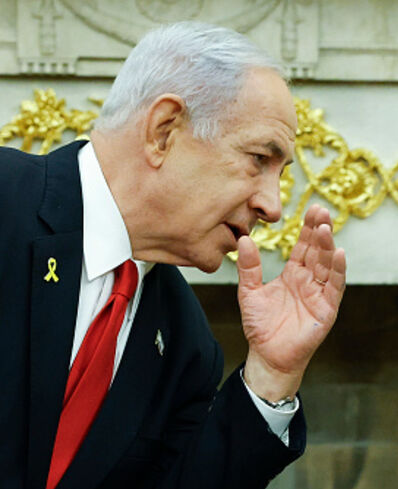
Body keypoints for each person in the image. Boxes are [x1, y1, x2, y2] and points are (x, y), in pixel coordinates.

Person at [0, 22, 346, 489]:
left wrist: (272, 374)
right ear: (164, 131)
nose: (274, 207)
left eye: (280, 174)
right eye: (259, 159)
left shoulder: (188, 344)